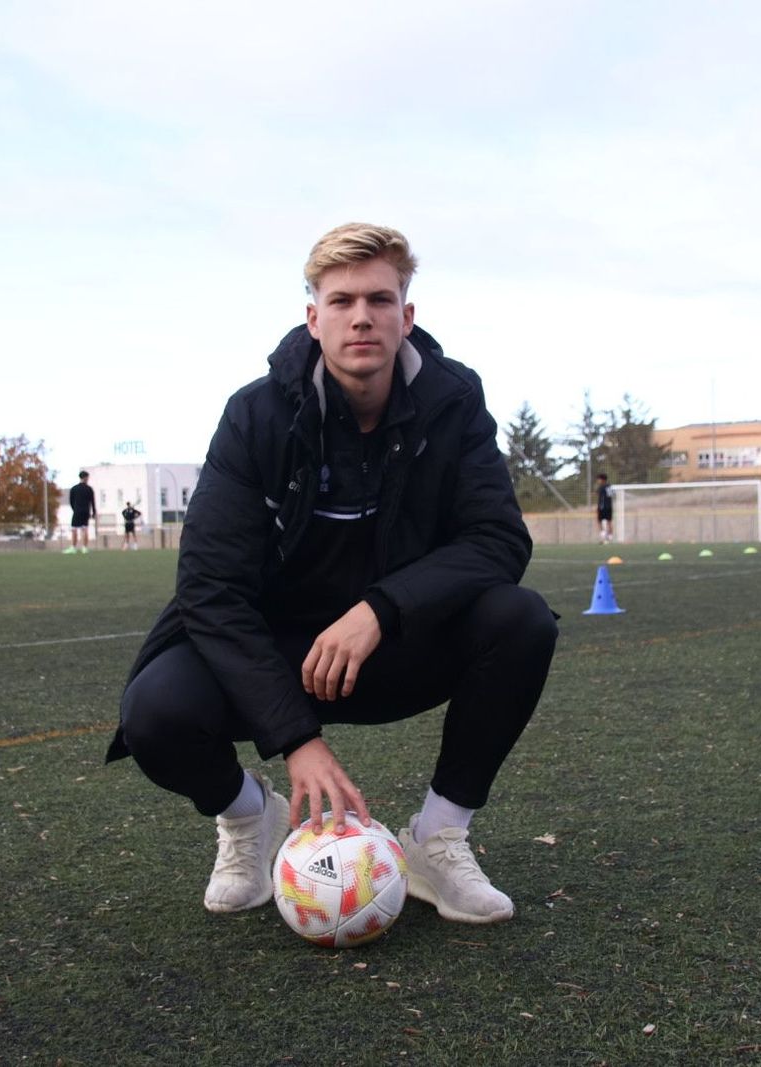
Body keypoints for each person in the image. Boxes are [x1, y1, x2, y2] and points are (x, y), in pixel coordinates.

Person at [109, 222, 558, 925]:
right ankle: (249, 818)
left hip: (393, 646)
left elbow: (498, 537)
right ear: (312, 318)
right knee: (154, 712)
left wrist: (381, 609)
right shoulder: (255, 415)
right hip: (279, 654)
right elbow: (208, 588)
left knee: (521, 620)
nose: (361, 316)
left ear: (407, 317)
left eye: (380, 299)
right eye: (342, 300)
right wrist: (295, 737)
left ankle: (438, 838)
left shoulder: (453, 401)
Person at [67, 470, 96, 553]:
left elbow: (71, 501)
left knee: (74, 529)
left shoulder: (74, 489)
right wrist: (93, 512)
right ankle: (84, 548)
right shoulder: (89, 489)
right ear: (85, 477)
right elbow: (92, 502)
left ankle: (73, 547)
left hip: (77, 511)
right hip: (86, 511)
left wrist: (74, 509)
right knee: (84, 529)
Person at [595, 472, 614, 544]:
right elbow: (612, 494)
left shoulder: (601, 487)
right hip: (609, 507)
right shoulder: (609, 486)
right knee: (609, 522)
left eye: (599, 479)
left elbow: (597, 494)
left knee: (599, 522)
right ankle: (610, 538)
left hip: (602, 507)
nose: (598, 481)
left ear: (602, 480)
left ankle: (603, 538)